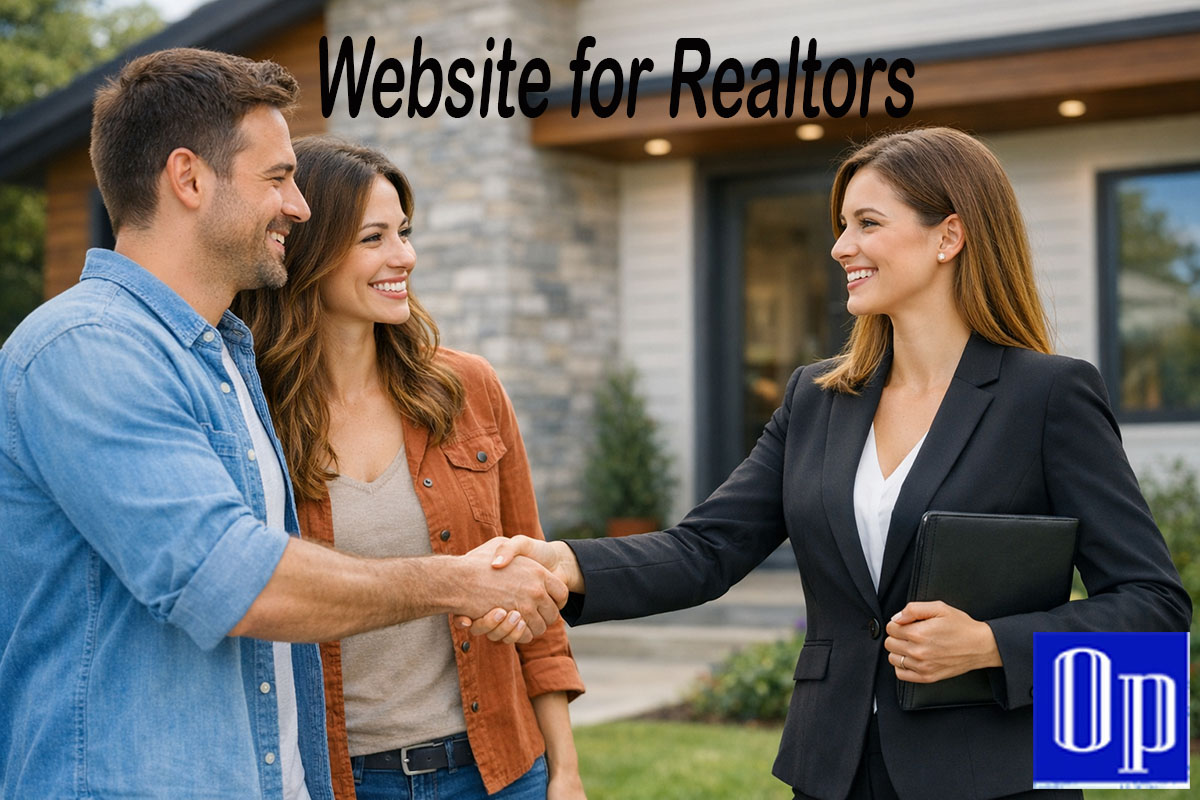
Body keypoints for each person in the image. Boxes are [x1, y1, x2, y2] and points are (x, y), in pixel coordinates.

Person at [478, 127, 1193, 799]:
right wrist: (565, 565)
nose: (840, 246)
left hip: (989, 772)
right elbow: (707, 549)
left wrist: (988, 644)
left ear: (949, 235)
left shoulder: (1048, 395)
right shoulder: (818, 399)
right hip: (830, 766)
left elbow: (1153, 604)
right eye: (842, 225)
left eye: (868, 223)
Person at [0, 49, 566, 800]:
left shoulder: (222, 359)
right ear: (189, 178)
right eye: (276, 178)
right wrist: (455, 582)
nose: (297, 207)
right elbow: (231, 580)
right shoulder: (87, 349)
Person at [234, 136, 587, 800]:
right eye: (375, 238)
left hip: (501, 773)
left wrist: (564, 770)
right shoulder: (255, 413)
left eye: (405, 232)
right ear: (312, 251)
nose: (405, 256)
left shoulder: (465, 389)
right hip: (342, 779)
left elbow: (534, 586)